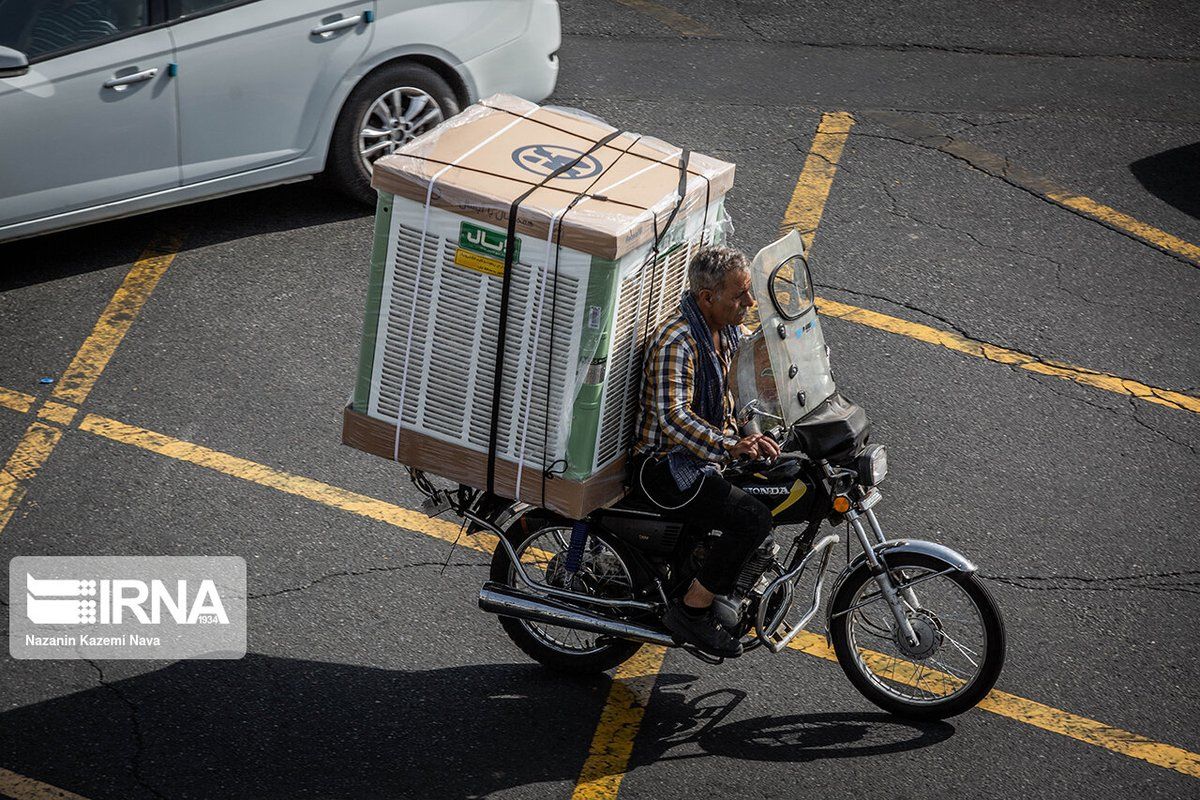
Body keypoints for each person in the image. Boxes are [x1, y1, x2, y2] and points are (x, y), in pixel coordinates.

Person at [632, 246, 780, 657]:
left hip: (706, 454)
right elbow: (674, 419)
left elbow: (748, 374)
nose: (749, 303)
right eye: (740, 296)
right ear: (707, 298)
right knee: (752, 518)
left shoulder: (727, 330)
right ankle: (692, 611)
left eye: (749, 293)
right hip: (668, 467)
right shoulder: (678, 342)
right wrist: (732, 445)